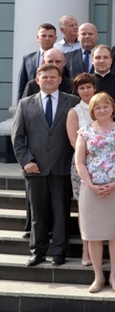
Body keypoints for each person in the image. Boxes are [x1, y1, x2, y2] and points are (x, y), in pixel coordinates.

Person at [12, 64, 79, 267]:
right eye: (45, 77)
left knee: (61, 212)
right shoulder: (25, 104)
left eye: (53, 77)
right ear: (37, 80)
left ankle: (59, 252)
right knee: (38, 214)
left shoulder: (73, 102)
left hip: (62, 166)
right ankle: (38, 251)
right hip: (35, 168)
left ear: (60, 80)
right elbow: (18, 137)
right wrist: (26, 161)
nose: (49, 80)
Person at [75, 92, 115, 293]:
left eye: (105, 106)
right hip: (92, 190)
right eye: (98, 107)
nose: (102, 110)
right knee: (93, 235)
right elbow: (80, 161)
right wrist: (90, 185)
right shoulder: (84, 132)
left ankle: (114, 276)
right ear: (92, 110)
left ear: (112, 108)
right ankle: (98, 276)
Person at [66, 73, 96, 266]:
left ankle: (99, 248)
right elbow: (73, 141)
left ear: (95, 88)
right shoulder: (74, 112)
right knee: (84, 208)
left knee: (101, 208)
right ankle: (86, 249)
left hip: (106, 167)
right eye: (82, 88)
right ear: (77, 91)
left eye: (89, 87)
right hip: (83, 165)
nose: (86, 90)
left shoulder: (102, 106)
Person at [17, 23, 57, 99]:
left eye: (50, 36)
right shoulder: (27, 59)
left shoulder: (62, 58)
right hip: (32, 101)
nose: (47, 38)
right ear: (37, 37)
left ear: (55, 38)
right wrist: (19, 106)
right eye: (43, 36)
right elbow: (22, 84)